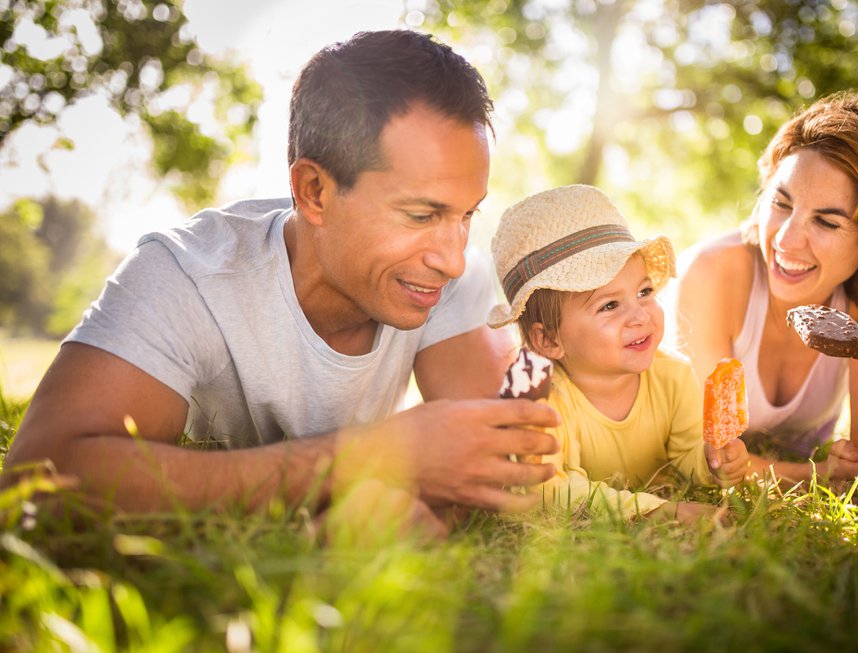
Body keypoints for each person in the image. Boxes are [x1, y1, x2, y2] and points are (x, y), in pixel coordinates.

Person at [2, 30, 561, 527]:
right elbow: (39, 478)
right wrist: (363, 462)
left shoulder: (443, 277)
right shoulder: (186, 274)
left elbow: (497, 457)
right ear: (314, 191)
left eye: (467, 215)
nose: (454, 258)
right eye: (422, 215)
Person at [670, 81, 858, 489]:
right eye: (781, 204)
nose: (785, 240)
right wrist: (819, 477)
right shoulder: (714, 273)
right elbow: (706, 455)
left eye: (827, 221)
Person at [489, 185, 750, 523]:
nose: (640, 315)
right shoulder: (542, 404)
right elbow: (550, 491)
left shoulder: (673, 376)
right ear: (548, 339)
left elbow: (685, 454)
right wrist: (659, 511)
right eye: (609, 305)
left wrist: (712, 462)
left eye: (644, 291)